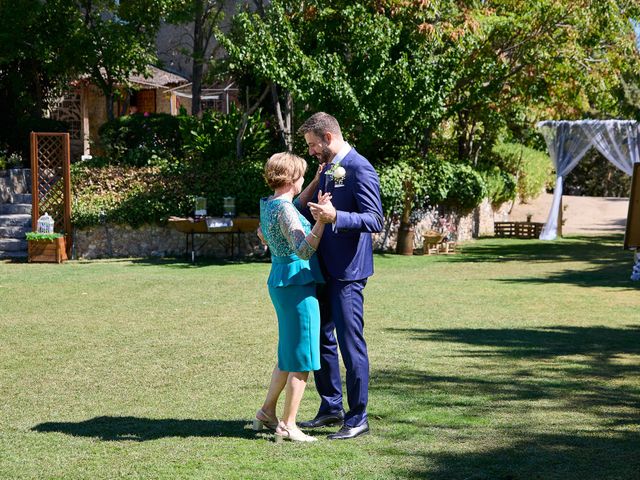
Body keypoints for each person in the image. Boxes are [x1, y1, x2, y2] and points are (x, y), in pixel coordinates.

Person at [296, 112, 384, 440]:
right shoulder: (330, 168)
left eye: (313, 144)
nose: (311, 151)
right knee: (321, 338)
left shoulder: (361, 168)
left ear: (329, 138)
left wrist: (336, 216)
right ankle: (331, 406)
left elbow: (375, 219)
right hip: (324, 268)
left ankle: (358, 417)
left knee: (351, 344)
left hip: (348, 272)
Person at [254, 152, 332, 443]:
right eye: (301, 175)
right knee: (302, 358)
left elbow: (264, 232)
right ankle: (288, 425)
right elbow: (303, 250)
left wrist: (313, 181)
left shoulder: (270, 203)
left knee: (287, 355)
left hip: (280, 280)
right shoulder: (286, 210)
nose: (303, 180)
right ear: (291, 179)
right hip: (297, 283)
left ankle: (266, 412)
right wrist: (322, 220)